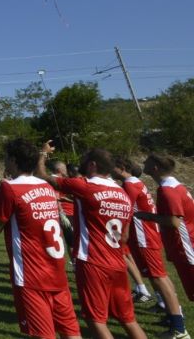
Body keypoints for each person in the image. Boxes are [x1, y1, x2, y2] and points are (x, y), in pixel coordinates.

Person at [0, 139, 82, 339]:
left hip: (31, 275)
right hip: (56, 271)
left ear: (13, 160)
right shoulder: (46, 186)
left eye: (5, 158)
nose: (4, 162)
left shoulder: (10, 188)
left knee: (42, 334)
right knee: (70, 332)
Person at [36, 143, 146, 339]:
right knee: (128, 319)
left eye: (84, 163)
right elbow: (125, 236)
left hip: (93, 262)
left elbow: (42, 175)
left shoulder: (85, 185)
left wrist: (43, 153)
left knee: (96, 320)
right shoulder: (123, 193)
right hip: (118, 263)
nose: (82, 167)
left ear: (93, 165)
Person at [112, 158, 187, 335]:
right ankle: (171, 312)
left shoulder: (130, 185)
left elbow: (126, 210)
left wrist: (124, 234)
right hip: (146, 234)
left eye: (113, 167)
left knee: (158, 277)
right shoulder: (134, 182)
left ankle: (178, 326)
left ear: (122, 168)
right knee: (158, 276)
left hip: (143, 236)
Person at [134, 153, 194, 339]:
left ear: (156, 168)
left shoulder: (168, 190)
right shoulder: (175, 186)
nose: (143, 163)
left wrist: (147, 216)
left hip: (186, 246)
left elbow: (174, 222)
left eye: (148, 162)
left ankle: (180, 331)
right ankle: (178, 328)